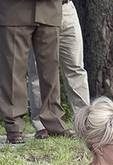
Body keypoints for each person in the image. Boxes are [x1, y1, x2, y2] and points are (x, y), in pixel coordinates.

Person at [0, 0, 72, 144]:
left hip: (50, 9)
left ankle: (54, 121)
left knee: (51, 72)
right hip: (14, 9)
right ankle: (14, 125)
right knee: (13, 71)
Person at [28, 0, 90, 140]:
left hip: (66, 8)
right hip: (40, 10)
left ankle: (84, 123)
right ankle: (41, 125)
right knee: (38, 72)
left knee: (76, 69)